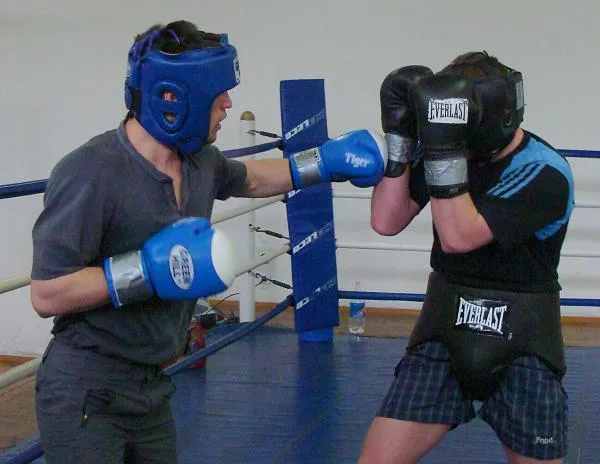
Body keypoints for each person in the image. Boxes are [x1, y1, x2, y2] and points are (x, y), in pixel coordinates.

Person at [30, 20, 387, 464]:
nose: (228, 104)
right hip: (87, 388)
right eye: (219, 94)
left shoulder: (198, 160)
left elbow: (252, 178)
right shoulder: (90, 170)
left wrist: (326, 162)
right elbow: (47, 293)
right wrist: (146, 270)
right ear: (177, 96)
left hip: (152, 386)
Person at [359, 51, 575, 464]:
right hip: (444, 330)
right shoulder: (453, 151)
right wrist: (400, 138)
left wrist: (442, 146)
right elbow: (386, 220)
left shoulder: (544, 172)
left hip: (523, 342)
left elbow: (459, 237)